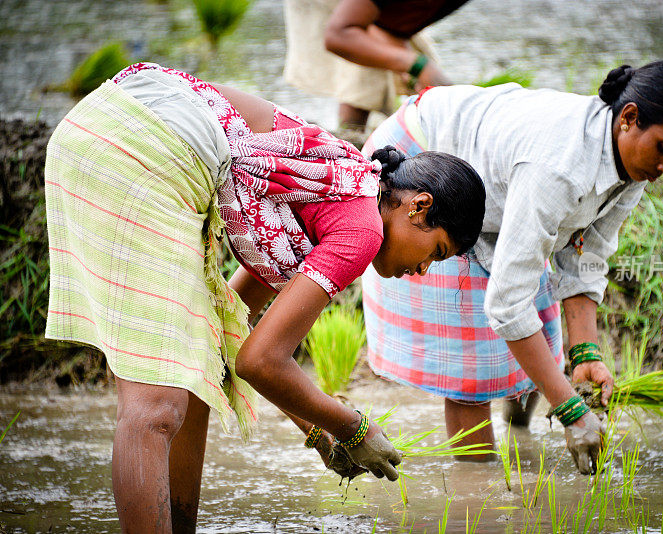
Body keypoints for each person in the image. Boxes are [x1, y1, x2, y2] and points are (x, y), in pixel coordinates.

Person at [43, 62, 485, 532]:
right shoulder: (362, 229)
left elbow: (229, 334)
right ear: (419, 206)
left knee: (195, 367)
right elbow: (262, 361)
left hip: (99, 124)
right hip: (146, 148)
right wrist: (353, 427)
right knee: (154, 408)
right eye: (435, 253)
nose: (420, 271)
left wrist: (314, 431)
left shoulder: (330, 189)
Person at [360, 58, 663, 474]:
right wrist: (569, 409)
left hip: (493, 188)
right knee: (473, 368)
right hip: (424, 167)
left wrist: (585, 355)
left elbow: (585, 256)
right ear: (629, 119)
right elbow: (506, 307)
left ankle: (519, 439)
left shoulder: (634, 167)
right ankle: (480, 492)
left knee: (540, 321)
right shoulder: (557, 167)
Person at [283, 0, 469, 129]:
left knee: (396, 65)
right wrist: (418, 66)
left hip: (381, 14)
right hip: (341, 16)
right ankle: (351, 146)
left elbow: (397, 22)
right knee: (363, 74)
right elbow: (338, 35)